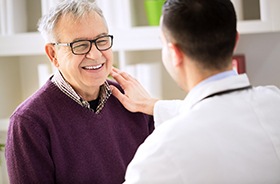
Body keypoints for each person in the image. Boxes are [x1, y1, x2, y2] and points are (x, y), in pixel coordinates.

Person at [110, 0, 280, 183]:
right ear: (236, 40)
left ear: (174, 52)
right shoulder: (273, 102)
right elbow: (219, 113)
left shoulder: (161, 152)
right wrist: (155, 105)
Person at [5, 0, 154, 183]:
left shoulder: (133, 99)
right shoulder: (28, 122)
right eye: (80, 45)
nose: (96, 54)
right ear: (53, 54)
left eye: (102, 40)